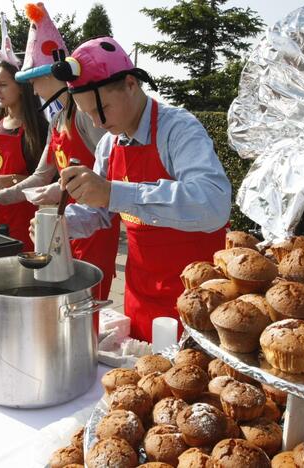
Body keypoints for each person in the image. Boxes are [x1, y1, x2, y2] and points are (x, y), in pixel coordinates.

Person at [57, 37, 232, 341]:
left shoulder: (178, 129)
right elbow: (100, 213)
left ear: (130, 84)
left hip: (198, 302)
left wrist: (115, 192)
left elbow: (213, 204)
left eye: (103, 109)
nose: (97, 123)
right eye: (88, 114)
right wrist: (63, 223)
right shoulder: (110, 143)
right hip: (140, 298)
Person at [0, 3, 119, 300]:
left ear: (52, 77)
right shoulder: (56, 120)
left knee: (87, 300)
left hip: (94, 228)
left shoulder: (83, 117)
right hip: (63, 225)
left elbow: (113, 179)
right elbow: (40, 176)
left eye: (35, 81)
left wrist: (59, 191)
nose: (34, 90)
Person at [0, 58, 48, 252]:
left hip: (20, 222)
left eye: (3, 85)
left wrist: (13, 180)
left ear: (22, 87)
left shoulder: (38, 129)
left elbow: (46, 181)